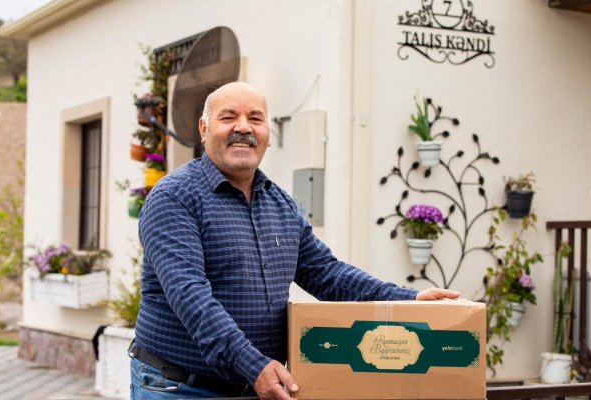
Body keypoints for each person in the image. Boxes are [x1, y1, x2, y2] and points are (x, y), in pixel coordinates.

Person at [130, 82, 460, 400]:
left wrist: (408, 299)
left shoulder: (280, 204)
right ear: (204, 129)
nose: (243, 127)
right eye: (228, 117)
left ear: (267, 135)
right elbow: (190, 294)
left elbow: (327, 274)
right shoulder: (175, 197)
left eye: (255, 118)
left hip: (256, 385)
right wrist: (253, 364)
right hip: (180, 387)